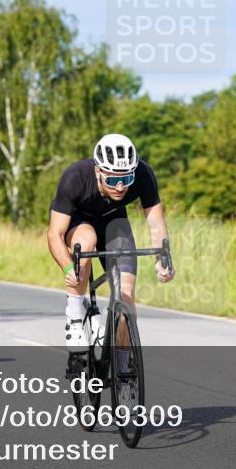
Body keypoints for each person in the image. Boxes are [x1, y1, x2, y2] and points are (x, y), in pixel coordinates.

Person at [47, 133, 174, 350]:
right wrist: (69, 267)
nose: (120, 187)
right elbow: (54, 234)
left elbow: (156, 223)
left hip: (114, 221)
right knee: (86, 241)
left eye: (127, 179)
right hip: (79, 219)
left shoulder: (144, 174)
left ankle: (124, 366)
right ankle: (75, 318)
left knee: (126, 293)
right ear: (98, 171)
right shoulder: (75, 177)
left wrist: (163, 259)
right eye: (113, 180)